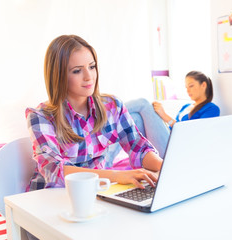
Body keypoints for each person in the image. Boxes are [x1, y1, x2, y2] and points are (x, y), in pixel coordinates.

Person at [25, 35, 162, 192]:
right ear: (58, 76)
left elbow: (139, 147)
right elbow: (55, 172)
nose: (89, 77)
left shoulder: (112, 106)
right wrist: (116, 176)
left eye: (92, 67)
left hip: (95, 193)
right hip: (50, 197)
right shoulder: (40, 117)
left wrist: (164, 167)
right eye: (77, 71)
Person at [152, 71, 220, 128]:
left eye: (191, 86)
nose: (188, 90)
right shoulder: (186, 106)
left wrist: (164, 115)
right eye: (186, 87)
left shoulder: (211, 108)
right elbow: (171, 127)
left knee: (143, 104)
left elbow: (197, 131)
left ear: (203, 85)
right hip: (169, 135)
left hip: (178, 141)